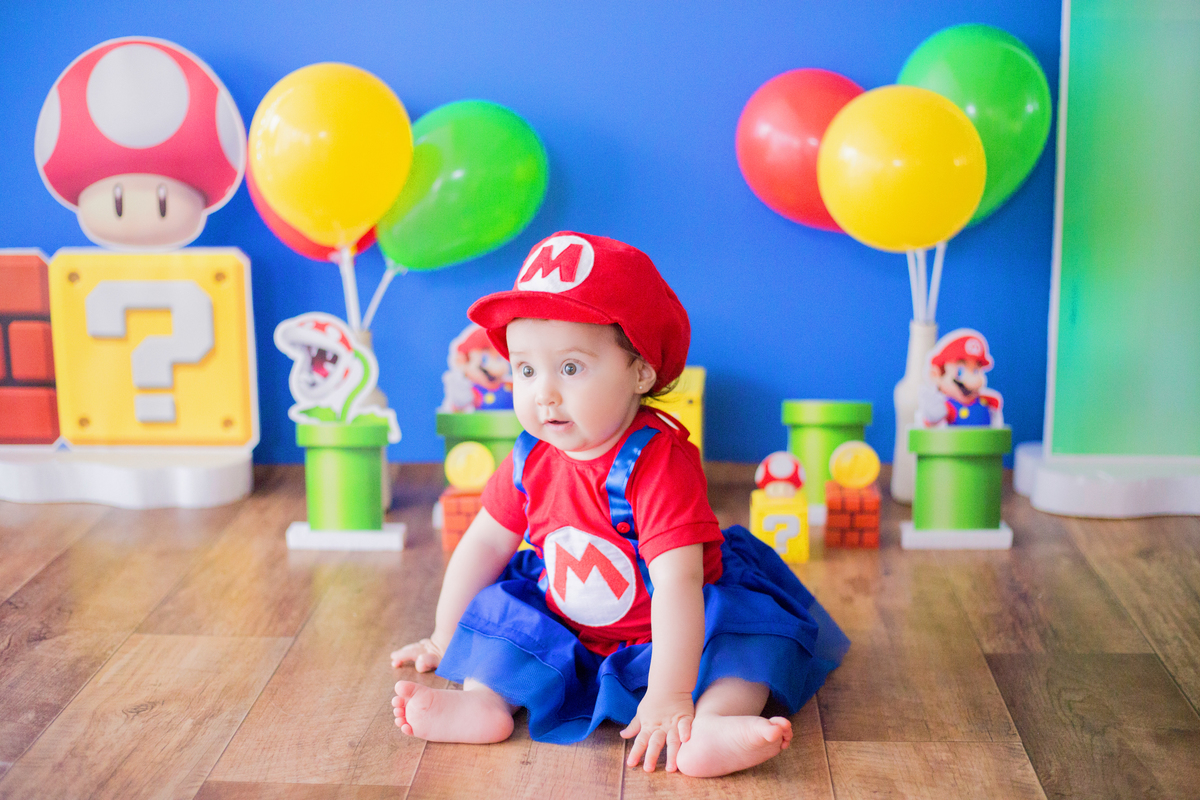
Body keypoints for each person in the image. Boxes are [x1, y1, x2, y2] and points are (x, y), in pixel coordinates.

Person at [391, 232, 848, 777]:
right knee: (503, 613)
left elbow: (678, 583)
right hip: (568, 621)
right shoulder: (529, 455)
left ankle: (710, 722)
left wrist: (671, 693)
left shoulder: (657, 464)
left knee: (745, 643)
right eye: (526, 369)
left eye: (571, 368)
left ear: (641, 372)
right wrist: (447, 636)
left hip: (671, 629)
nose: (544, 394)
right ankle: (485, 702)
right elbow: (484, 544)